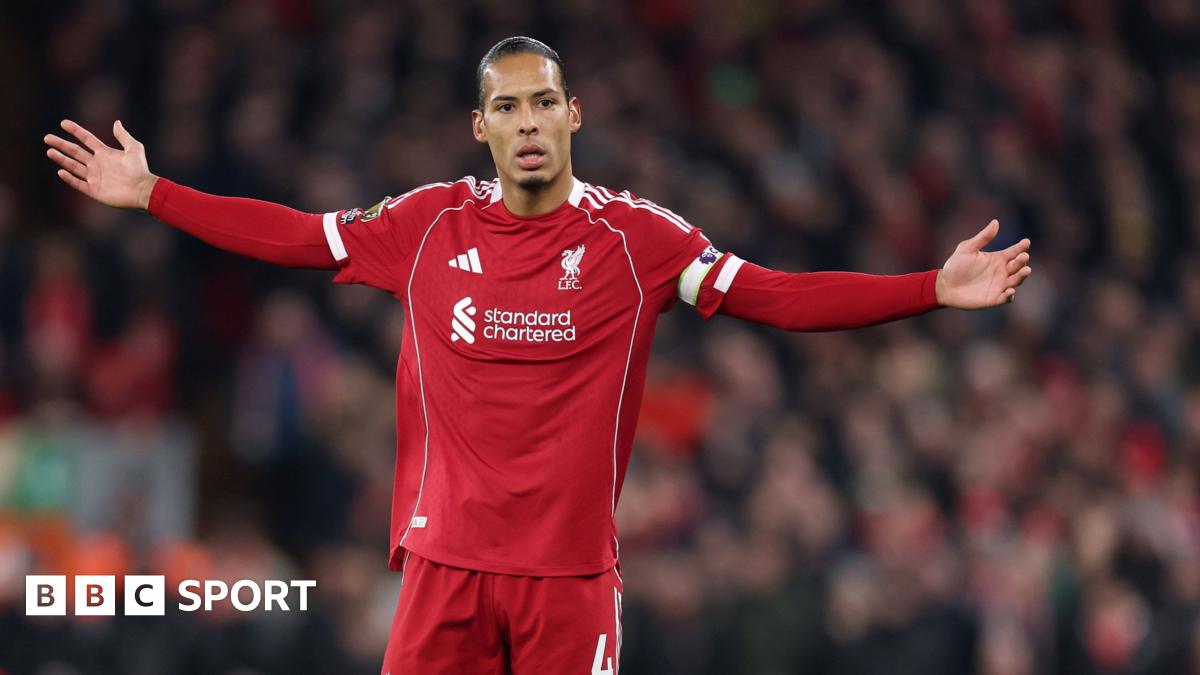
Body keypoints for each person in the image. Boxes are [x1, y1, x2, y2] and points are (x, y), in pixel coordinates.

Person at [44, 35, 1032, 675]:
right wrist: (155, 193)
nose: (528, 123)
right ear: (481, 127)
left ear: (573, 115)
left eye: (544, 103)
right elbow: (298, 237)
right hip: (445, 566)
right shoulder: (426, 225)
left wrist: (929, 289)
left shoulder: (637, 239)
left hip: (569, 578)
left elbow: (774, 295)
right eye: (508, 107)